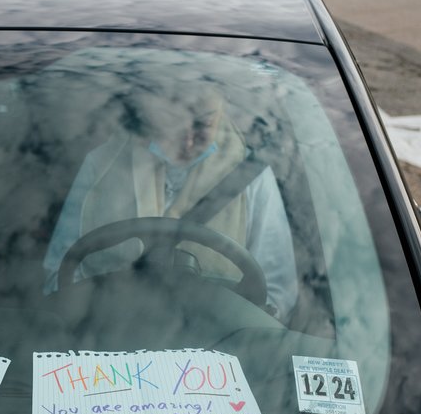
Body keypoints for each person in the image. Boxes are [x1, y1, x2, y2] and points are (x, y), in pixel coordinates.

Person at [44, 84, 298, 320]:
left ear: (221, 111)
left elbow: (275, 290)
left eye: (202, 125)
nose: (186, 141)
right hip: (107, 335)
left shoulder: (250, 176)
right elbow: (61, 270)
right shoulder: (101, 165)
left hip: (213, 345)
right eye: (173, 123)